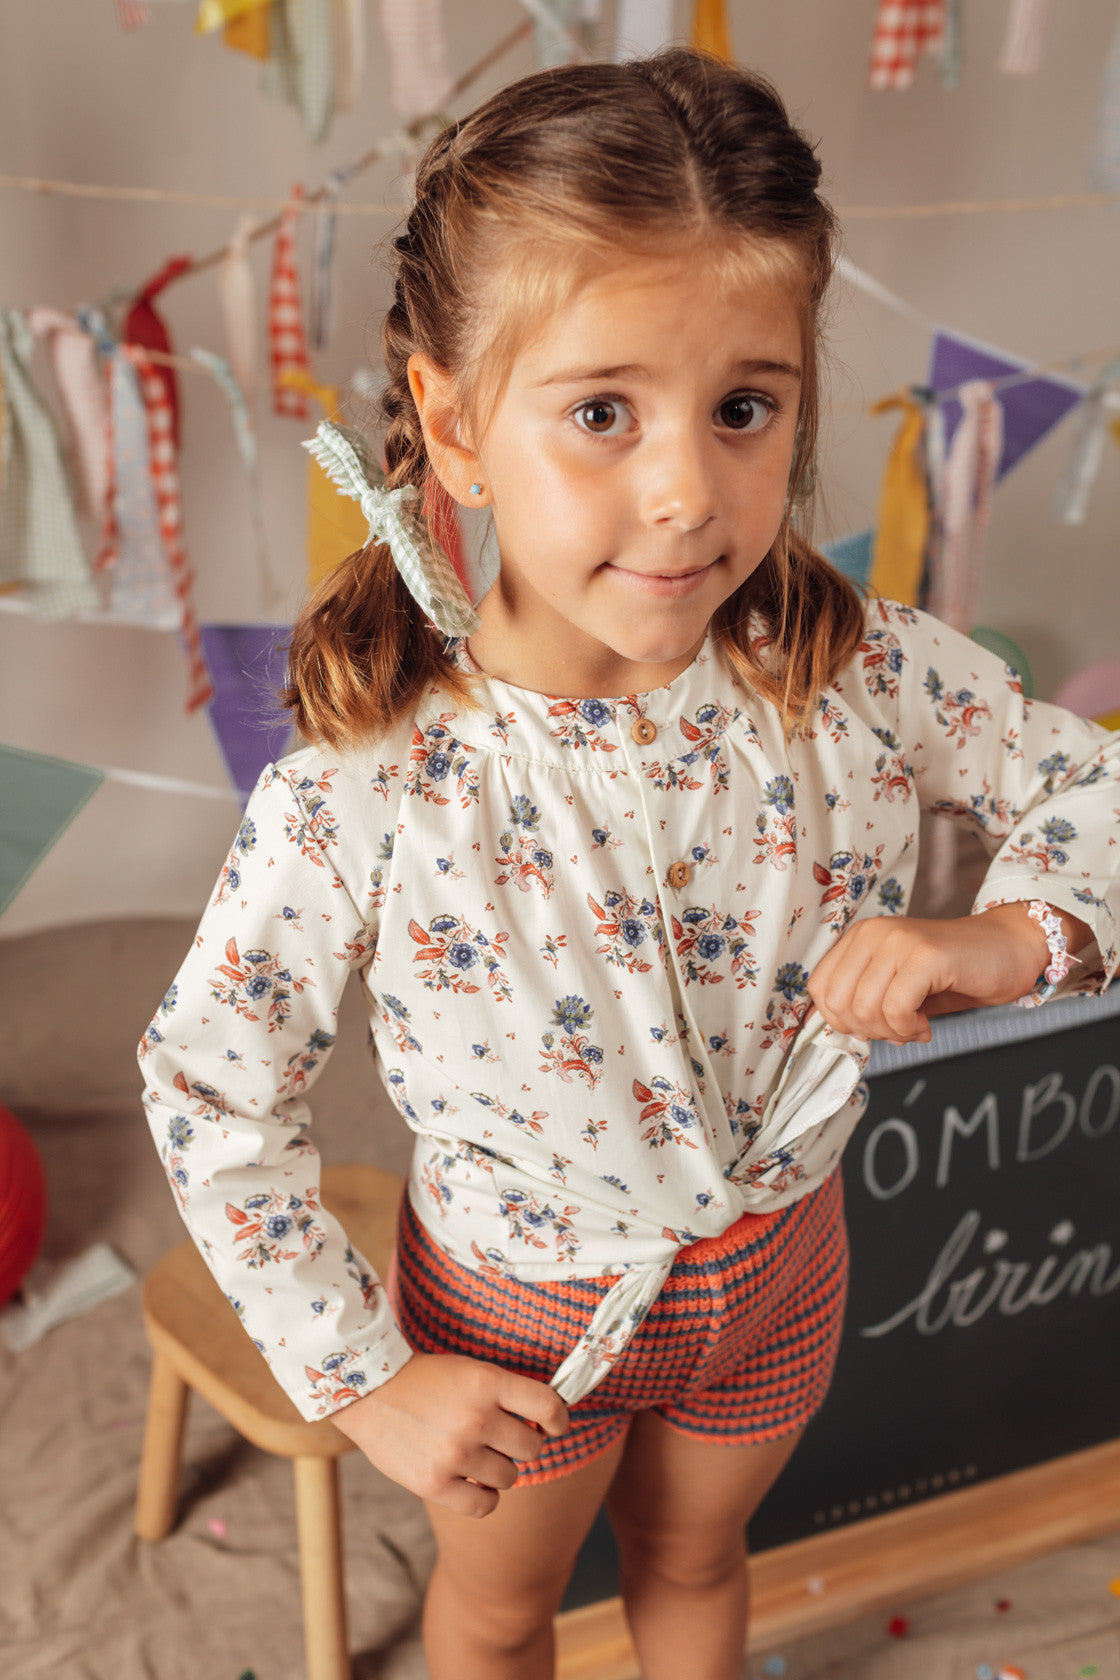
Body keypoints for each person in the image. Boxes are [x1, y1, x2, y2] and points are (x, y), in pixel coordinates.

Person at [139, 48, 1119, 1680]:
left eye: (744, 409)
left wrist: (1008, 937)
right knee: (505, 1612)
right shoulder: (374, 785)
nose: (685, 493)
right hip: (521, 1311)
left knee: (696, 1559)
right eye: (602, 413)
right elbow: (208, 1083)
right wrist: (368, 1381)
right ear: (455, 429)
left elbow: (1099, 790)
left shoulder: (858, 678)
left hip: (785, 1266)